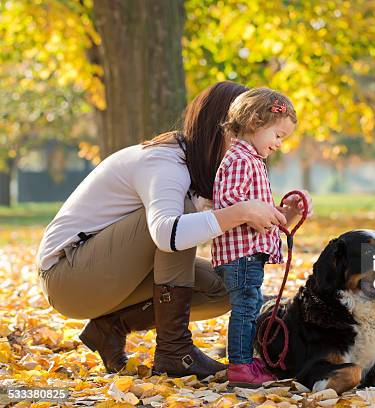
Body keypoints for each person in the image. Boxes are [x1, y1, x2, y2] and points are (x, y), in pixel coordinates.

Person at [35, 81, 308, 379]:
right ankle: (174, 351)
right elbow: (167, 233)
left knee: (225, 288)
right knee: (179, 219)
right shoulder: (164, 161)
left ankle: (110, 327)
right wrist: (241, 211)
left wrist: (276, 217)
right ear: (222, 127)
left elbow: (225, 229)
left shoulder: (206, 170)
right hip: (67, 276)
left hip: (107, 275)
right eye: (239, 130)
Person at [212, 88, 299, 387]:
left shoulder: (251, 160)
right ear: (253, 122)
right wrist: (260, 210)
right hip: (241, 254)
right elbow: (228, 202)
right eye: (277, 135)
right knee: (247, 307)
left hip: (248, 252)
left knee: (250, 304)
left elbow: (253, 207)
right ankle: (240, 365)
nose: (278, 144)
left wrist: (283, 212)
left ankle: (245, 361)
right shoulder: (240, 159)